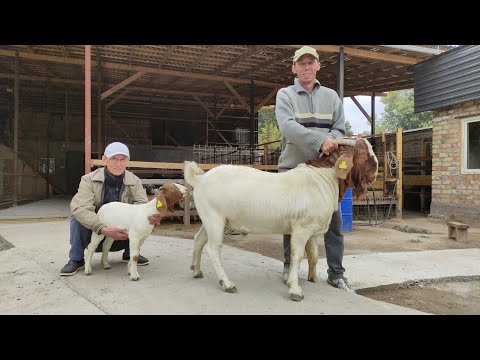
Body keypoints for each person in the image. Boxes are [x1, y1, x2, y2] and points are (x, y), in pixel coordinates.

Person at [275, 46, 355, 293]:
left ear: (319, 66)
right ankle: (290, 267)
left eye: (311, 62)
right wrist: (320, 141)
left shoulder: (331, 97)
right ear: (294, 68)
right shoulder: (285, 94)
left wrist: (330, 139)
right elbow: (287, 127)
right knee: (292, 222)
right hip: (293, 169)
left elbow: (339, 129)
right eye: (302, 63)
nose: (306, 67)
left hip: (325, 173)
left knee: (333, 222)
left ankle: (336, 273)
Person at [60, 142, 162, 276]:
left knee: (142, 221)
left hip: (123, 234)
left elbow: (142, 205)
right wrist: (102, 229)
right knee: (77, 218)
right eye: (113, 158)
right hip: (96, 232)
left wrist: (150, 216)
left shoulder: (135, 181)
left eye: (122, 159)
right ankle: (77, 259)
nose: (118, 164)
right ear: (104, 159)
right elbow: (81, 208)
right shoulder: (88, 180)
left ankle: (129, 254)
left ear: (128, 161)